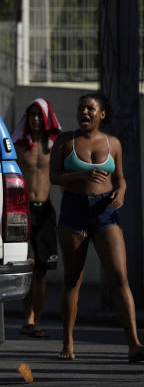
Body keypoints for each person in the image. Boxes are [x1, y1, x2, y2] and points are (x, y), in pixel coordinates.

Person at [49, 92, 144, 362]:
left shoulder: (113, 143)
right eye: (81, 108)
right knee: (73, 280)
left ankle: (134, 344)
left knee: (119, 277)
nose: (85, 113)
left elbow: (120, 178)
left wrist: (121, 193)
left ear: (102, 114)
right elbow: (54, 176)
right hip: (74, 210)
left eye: (90, 108)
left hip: (105, 211)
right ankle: (68, 343)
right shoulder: (65, 141)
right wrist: (81, 174)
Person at [11, 98, 61, 339]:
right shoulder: (19, 146)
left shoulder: (55, 146)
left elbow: (63, 178)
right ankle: (27, 318)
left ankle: (36, 320)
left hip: (46, 211)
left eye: (39, 115)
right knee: (27, 265)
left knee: (42, 270)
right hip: (23, 211)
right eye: (31, 114)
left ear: (47, 118)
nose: (35, 119)